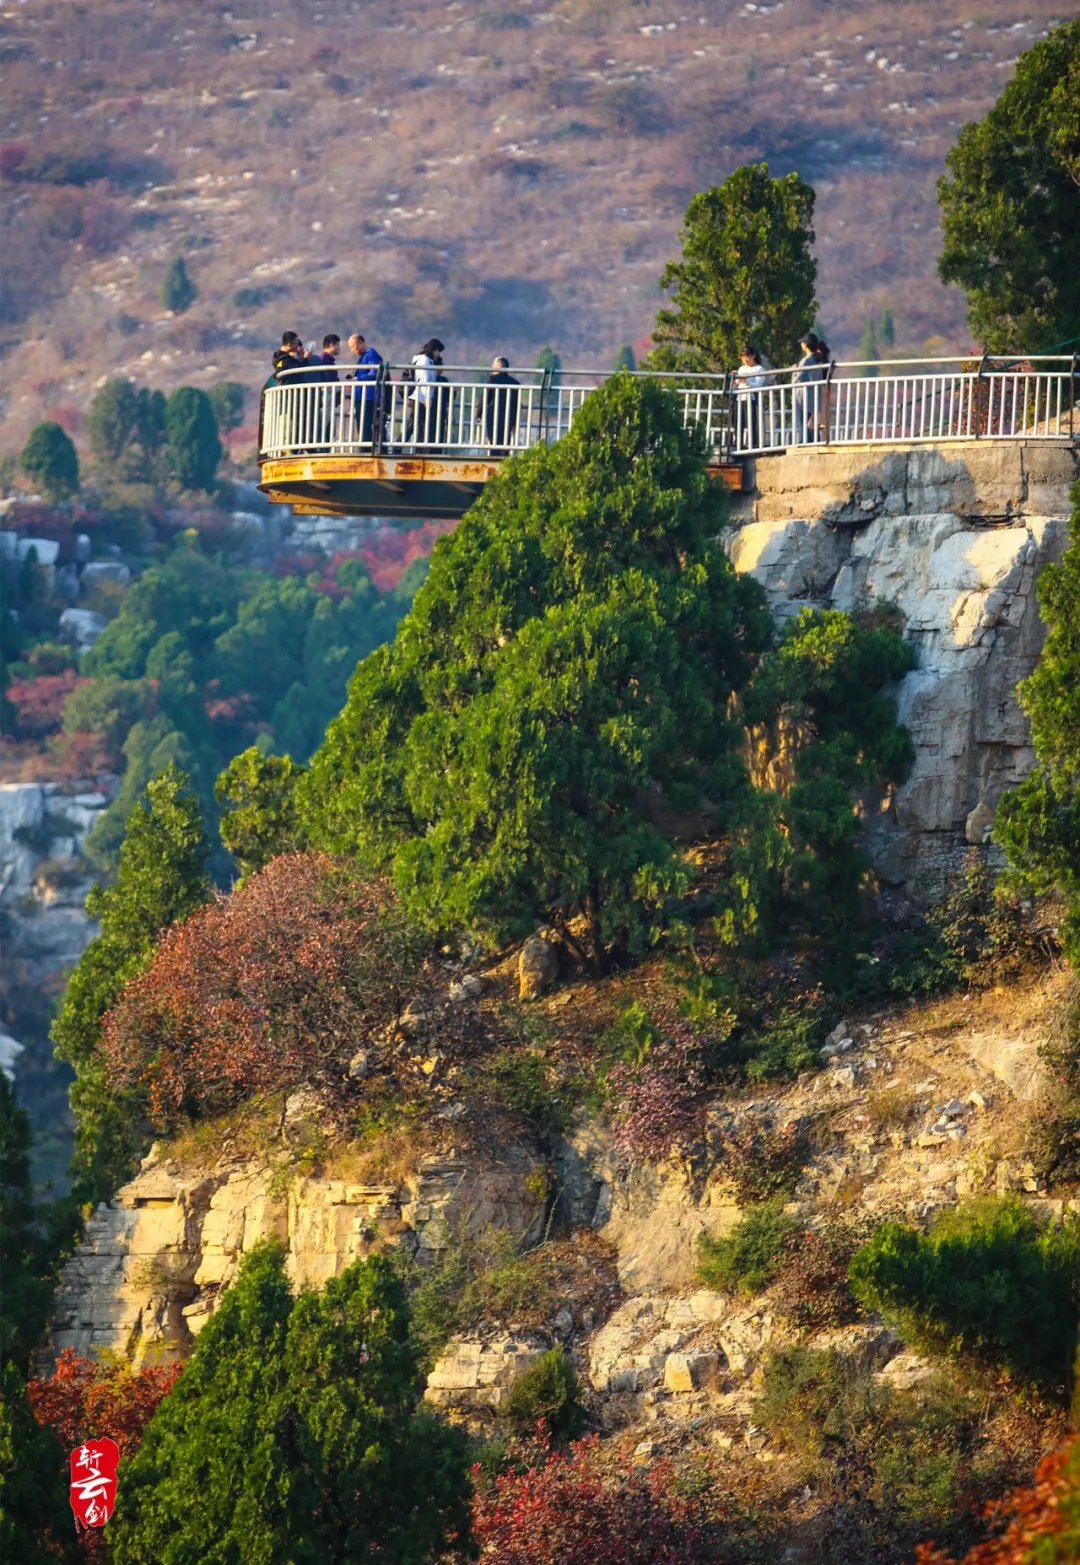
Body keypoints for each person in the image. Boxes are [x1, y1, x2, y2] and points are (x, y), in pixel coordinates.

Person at [404, 338, 445, 448]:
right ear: (434, 350)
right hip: (420, 397)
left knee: (418, 424)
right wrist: (428, 398)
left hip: (420, 397)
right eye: (438, 351)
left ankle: (418, 449)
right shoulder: (425, 361)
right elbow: (424, 380)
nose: (439, 354)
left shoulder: (426, 360)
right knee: (414, 424)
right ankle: (398, 446)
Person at [347, 332, 384, 445]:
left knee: (365, 425)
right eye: (351, 348)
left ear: (361, 342)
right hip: (360, 395)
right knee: (361, 425)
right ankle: (364, 446)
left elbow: (375, 373)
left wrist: (358, 379)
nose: (353, 350)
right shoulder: (363, 357)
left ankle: (366, 448)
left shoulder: (371, 354)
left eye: (354, 346)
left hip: (367, 396)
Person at [480, 356, 521, 455]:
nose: (492, 367)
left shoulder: (492, 379)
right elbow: (516, 405)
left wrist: (479, 414)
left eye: (494, 365)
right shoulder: (515, 383)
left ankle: (494, 466)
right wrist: (514, 422)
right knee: (505, 445)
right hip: (508, 420)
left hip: (493, 418)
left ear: (500, 366)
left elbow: (484, 398)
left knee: (494, 445)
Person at [793, 332, 828, 444]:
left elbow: (796, 379)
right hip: (812, 396)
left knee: (801, 423)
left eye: (803, 343)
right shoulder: (818, 359)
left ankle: (807, 442)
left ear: (805, 345)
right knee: (804, 422)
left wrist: (794, 370)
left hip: (802, 397)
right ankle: (808, 441)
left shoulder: (806, 360)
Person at [733, 345, 765, 451]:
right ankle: (738, 442)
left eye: (747, 356)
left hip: (751, 397)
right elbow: (737, 383)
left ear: (753, 356)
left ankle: (752, 442)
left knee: (751, 421)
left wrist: (746, 381)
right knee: (738, 421)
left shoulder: (759, 369)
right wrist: (734, 379)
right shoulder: (741, 369)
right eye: (743, 357)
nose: (745, 359)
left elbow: (758, 385)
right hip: (740, 397)